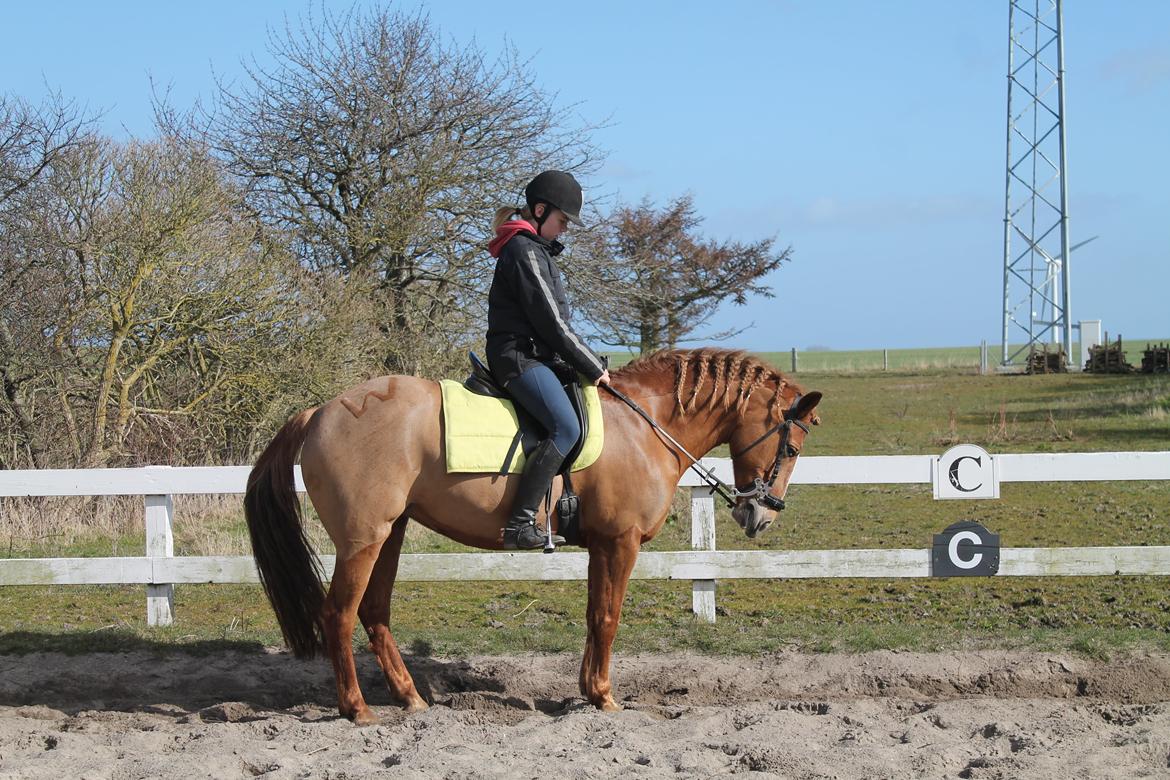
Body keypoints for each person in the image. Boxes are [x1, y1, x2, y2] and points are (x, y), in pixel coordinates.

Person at [485, 170, 611, 549]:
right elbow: (553, 323)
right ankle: (520, 524)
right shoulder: (524, 251)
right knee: (567, 428)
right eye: (562, 221)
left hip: (534, 355)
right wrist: (594, 367)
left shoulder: (534, 250)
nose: (565, 230)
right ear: (539, 211)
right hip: (518, 358)